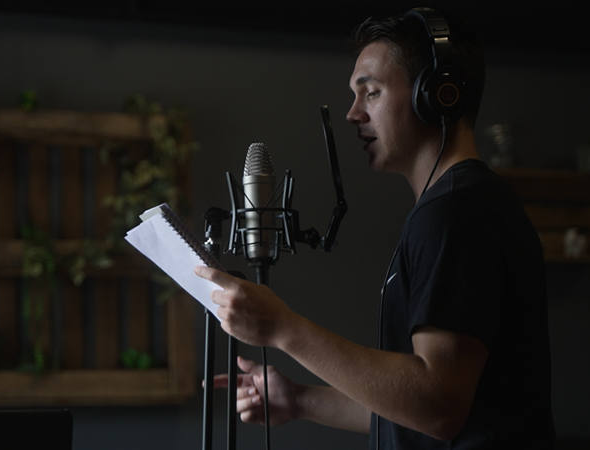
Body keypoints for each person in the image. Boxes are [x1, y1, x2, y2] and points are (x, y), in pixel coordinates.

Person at [195, 7, 554, 450]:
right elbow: (419, 409)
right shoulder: (453, 209)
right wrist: (301, 400)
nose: (352, 114)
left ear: (437, 95)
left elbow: (437, 403)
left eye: (373, 93)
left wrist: (282, 328)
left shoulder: (457, 215)